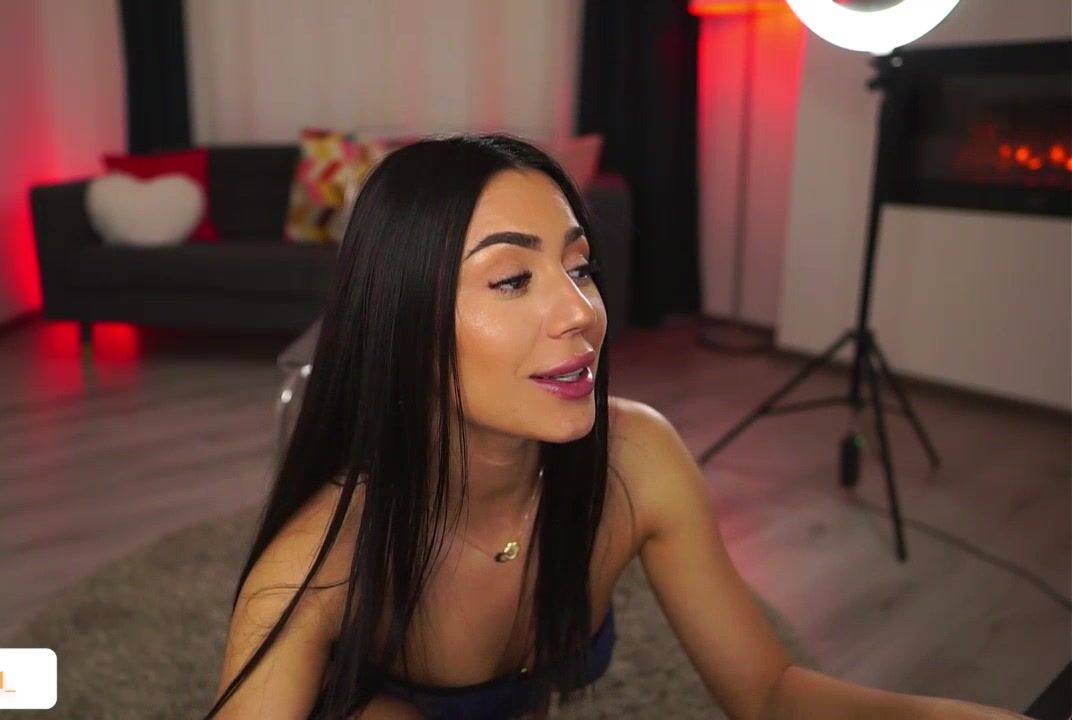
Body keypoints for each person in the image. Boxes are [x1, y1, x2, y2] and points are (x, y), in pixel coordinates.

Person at [204, 134, 1028, 720]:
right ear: (404, 324)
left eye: (581, 266)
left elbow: (768, 692)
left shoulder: (638, 457)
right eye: (512, 279)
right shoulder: (317, 562)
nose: (581, 311)